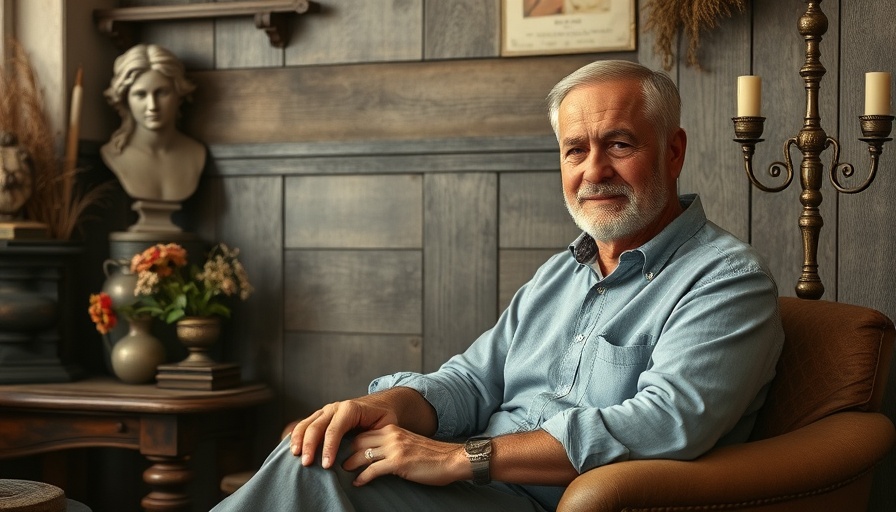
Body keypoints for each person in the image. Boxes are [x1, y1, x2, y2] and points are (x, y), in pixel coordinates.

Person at [211, 59, 784, 512]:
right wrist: (381, 406)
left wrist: (463, 457)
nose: (594, 171)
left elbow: (666, 421)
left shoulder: (727, 281)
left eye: (619, 144)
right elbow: (472, 380)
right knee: (314, 451)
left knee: (309, 472)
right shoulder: (561, 272)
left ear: (673, 150)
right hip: (472, 488)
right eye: (575, 150)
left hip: (545, 500)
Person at [101, 44, 206, 204]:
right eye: (140, 95)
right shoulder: (114, 155)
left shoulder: (196, 153)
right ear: (125, 99)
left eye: (162, 92)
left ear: (179, 94)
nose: (152, 106)